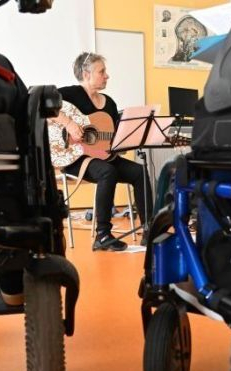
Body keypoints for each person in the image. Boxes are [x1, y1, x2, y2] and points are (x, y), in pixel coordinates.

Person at [50, 52, 152, 251]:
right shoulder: (71, 94)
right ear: (86, 74)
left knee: (139, 172)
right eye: (102, 71)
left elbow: (111, 137)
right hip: (75, 157)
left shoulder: (109, 103)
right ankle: (103, 234)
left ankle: (149, 229)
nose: (107, 76)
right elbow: (40, 105)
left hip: (103, 157)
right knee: (107, 171)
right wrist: (69, 124)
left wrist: (123, 142)